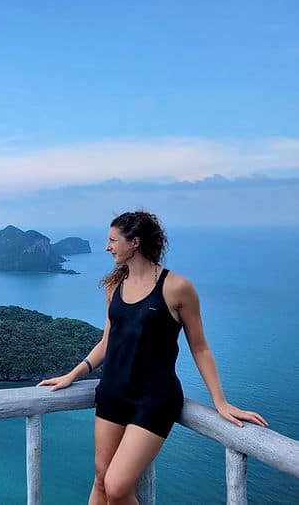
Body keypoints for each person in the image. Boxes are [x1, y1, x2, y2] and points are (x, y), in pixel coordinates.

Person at [37, 211, 267, 505]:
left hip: (154, 399)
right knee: (101, 478)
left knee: (118, 486)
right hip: (112, 392)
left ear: (135, 242)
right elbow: (108, 341)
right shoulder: (114, 287)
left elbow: (200, 347)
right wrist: (74, 374)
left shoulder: (176, 288)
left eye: (112, 240)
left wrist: (219, 402)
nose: (107, 247)